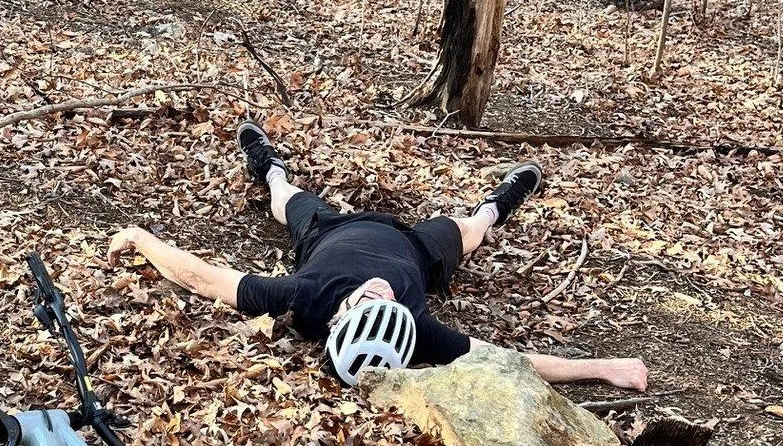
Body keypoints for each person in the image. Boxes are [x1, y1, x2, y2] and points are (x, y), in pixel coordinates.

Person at [107, 122, 649, 390]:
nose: (381, 293)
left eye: (370, 302)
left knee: (284, 199)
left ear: (342, 316)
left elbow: (203, 279)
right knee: (470, 229)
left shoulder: (301, 294)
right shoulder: (413, 328)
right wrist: (600, 367)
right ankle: (498, 205)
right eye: (383, 304)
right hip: (417, 248)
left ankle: (266, 165)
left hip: (324, 232)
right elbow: (507, 361)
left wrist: (140, 237)